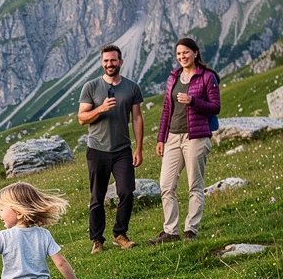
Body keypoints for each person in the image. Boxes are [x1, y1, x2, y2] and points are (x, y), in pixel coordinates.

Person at [148, 37, 221, 244]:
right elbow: (166, 110)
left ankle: (191, 230)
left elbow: (216, 107)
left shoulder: (207, 77)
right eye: (179, 54)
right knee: (166, 184)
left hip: (196, 136)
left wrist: (193, 101)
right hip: (173, 136)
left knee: (194, 185)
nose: (182, 57)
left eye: (186, 53)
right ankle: (171, 231)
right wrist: (161, 138)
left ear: (195, 53)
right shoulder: (173, 77)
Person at [78, 44, 144, 253]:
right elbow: (81, 118)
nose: (109, 64)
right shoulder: (91, 87)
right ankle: (97, 240)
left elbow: (137, 117)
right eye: (106, 61)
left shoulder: (132, 87)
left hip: (122, 148)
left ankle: (119, 234)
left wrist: (139, 148)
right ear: (102, 63)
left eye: (113, 60)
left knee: (126, 190)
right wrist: (101, 108)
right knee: (97, 196)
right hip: (97, 149)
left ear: (120, 62)